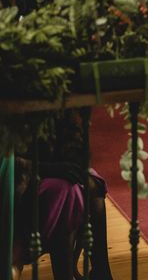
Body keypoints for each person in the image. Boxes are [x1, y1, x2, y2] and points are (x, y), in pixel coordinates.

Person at [12, 110, 113, 279]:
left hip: (50, 172)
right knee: (66, 192)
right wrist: (50, 168)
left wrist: (73, 156)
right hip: (18, 181)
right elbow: (9, 163)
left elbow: (76, 152)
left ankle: (101, 271)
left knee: (90, 183)